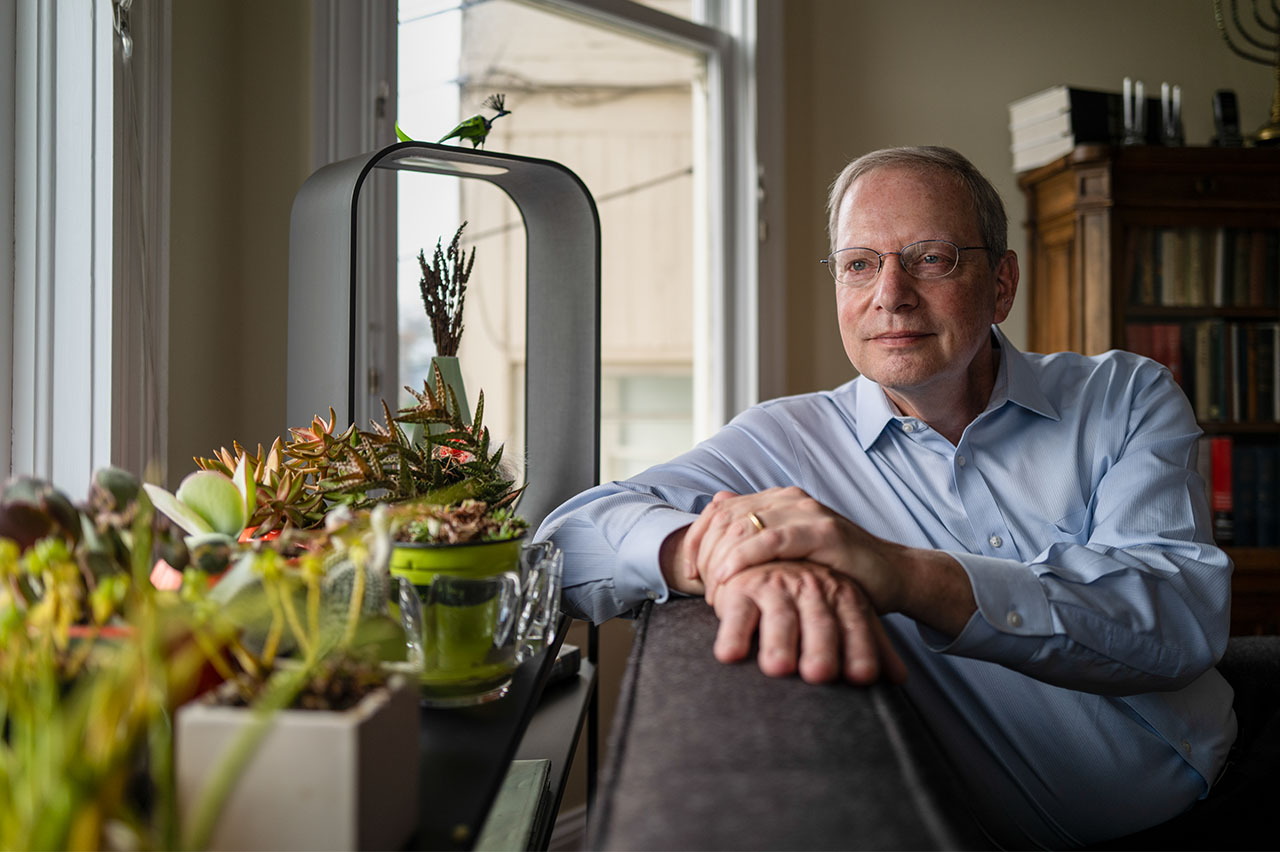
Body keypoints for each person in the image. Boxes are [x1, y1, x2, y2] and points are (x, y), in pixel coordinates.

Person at [536, 146, 1236, 848]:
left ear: (1001, 283)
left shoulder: (1125, 395)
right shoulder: (785, 442)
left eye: (931, 258)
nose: (891, 294)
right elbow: (567, 542)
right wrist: (706, 550)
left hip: (1232, 791)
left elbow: (1178, 615)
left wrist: (903, 575)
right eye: (859, 264)